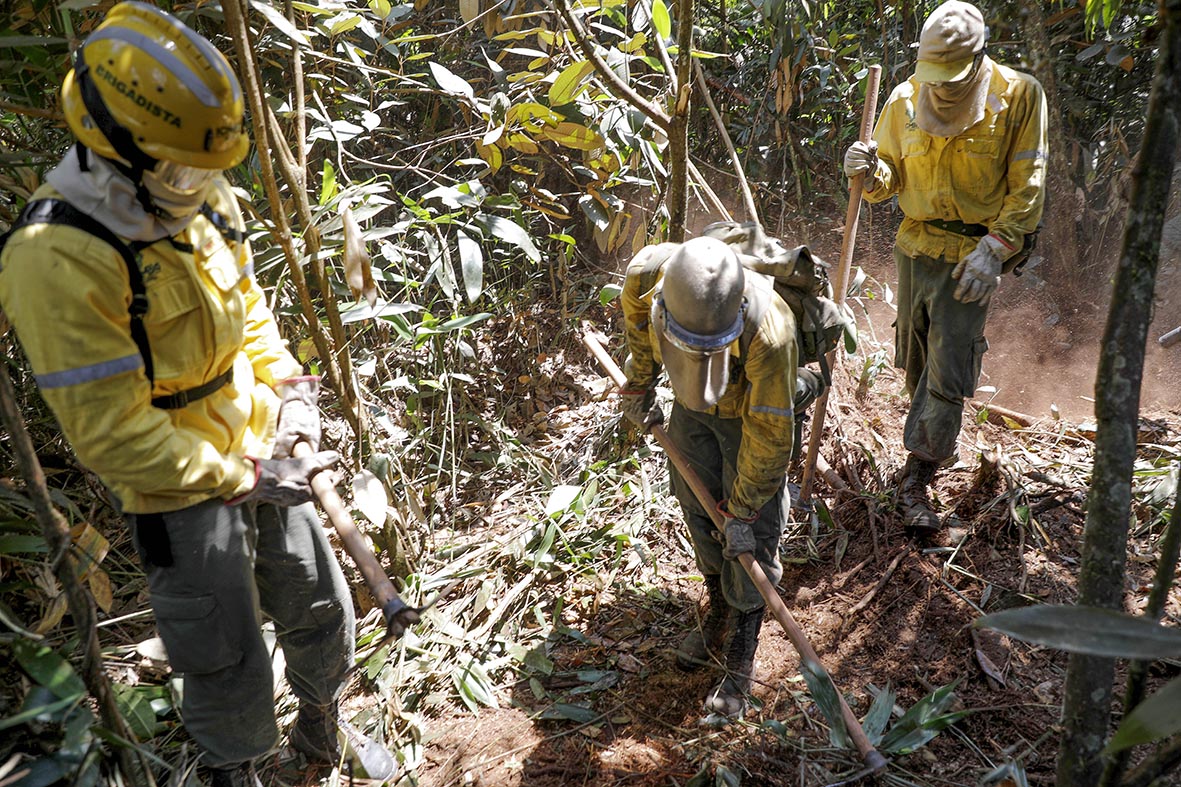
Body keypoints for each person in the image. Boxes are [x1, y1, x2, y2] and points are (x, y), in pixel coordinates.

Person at [0, 4, 411, 785]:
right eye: (183, 172)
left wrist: (291, 391)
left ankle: (320, 736)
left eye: (208, 170)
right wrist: (246, 477)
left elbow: (250, 311)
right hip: (177, 492)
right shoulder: (56, 256)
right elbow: (114, 436)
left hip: (264, 445)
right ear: (115, 151)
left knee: (319, 603)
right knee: (222, 654)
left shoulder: (198, 188)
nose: (202, 188)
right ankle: (240, 768)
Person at [842, 0, 1047, 535]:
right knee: (913, 359)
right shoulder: (904, 100)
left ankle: (918, 473)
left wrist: (997, 246)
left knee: (947, 366)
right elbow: (887, 182)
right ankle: (933, 444)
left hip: (973, 256)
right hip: (916, 247)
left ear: (979, 57)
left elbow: (1029, 183)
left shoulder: (1019, 96)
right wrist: (866, 170)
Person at [618, 234, 804, 717]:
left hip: (749, 411)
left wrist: (743, 512)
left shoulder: (770, 331)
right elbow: (640, 333)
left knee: (752, 529)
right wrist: (639, 385)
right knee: (697, 500)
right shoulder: (644, 279)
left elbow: (770, 435)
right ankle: (717, 606)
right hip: (691, 407)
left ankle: (743, 644)